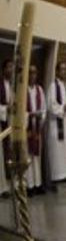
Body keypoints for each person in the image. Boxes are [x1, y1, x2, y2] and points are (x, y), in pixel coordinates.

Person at [47, 61, 66, 182]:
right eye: (62, 69)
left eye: (65, 69)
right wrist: (64, 107)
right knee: (57, 149)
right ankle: (57, 176)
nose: (64, 71)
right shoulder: (53, 86)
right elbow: (51, 105)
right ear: (57, 71)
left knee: (64, 149)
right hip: (55, 124)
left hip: (64, 122)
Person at [25, 65, 46, 189]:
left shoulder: (39, 90)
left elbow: (44, 109)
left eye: (34, 73)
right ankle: (29, 185)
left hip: (36, 128)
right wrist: (29, 115)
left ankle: (38, 184)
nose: (33, 75)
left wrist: (40, 116)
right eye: (30, 73)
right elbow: (21, 110)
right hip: (27, 128)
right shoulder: (23, 90)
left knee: (36, 157)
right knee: (28, 156)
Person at [0, 60, 11, 193]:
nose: (11, 69)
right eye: (8, 66)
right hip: (1, 123)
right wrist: (5, 109)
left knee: (7, 155)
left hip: (8, 124)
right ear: (3, 70)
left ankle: (5, 186)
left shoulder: (11, 85)